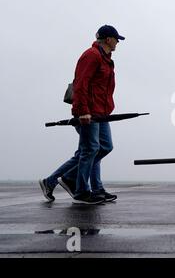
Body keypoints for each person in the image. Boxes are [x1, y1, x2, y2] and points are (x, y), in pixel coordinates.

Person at [39, 25, 124, 204]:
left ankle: (66, 180)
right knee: (90, 150)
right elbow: (81, 84)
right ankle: (82, 191)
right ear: (108, 39)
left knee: (103, 147)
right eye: (117, 39)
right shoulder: (91, 55)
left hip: (101, 113)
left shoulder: (106, 59)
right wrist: (83, 111)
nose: (118, 42)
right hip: (88, 113)